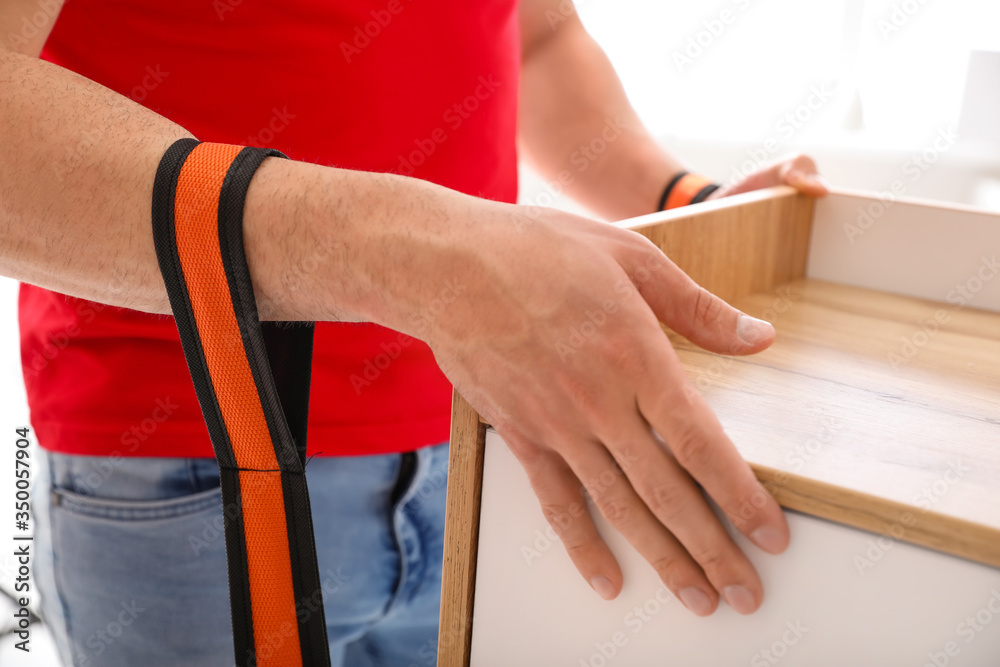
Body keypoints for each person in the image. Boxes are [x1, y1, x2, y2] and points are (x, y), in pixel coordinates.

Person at [0, 0, 827, 664]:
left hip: (482, 433)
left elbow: (535, 37)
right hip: (195, 457)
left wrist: (685, 203)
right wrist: (420, 260)